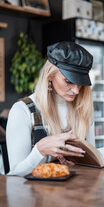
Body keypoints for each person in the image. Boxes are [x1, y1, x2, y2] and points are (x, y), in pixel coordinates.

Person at [6, 41, 95, 176]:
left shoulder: (83, 108)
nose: (76, 91)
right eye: (68, 81)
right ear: (50, 76)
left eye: (81, 83)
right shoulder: (22, 111)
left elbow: (92, 164)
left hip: (78, 192)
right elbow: (14, 175)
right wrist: (39, 151)